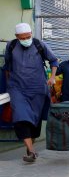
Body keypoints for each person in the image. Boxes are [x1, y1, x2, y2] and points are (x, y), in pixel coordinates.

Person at [4, 23, 58, 162]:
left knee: (34, 121)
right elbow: (8, 67)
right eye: (23, 38)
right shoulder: (11, 46)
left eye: (28, 36)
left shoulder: (39, 44)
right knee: (21, 117)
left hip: (38, 89)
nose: (26, 39)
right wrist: (10, 85)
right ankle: (32, 150)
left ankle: (29, 151)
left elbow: (53, 60)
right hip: (18, 89)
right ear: (17, 37)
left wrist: (52, 77)